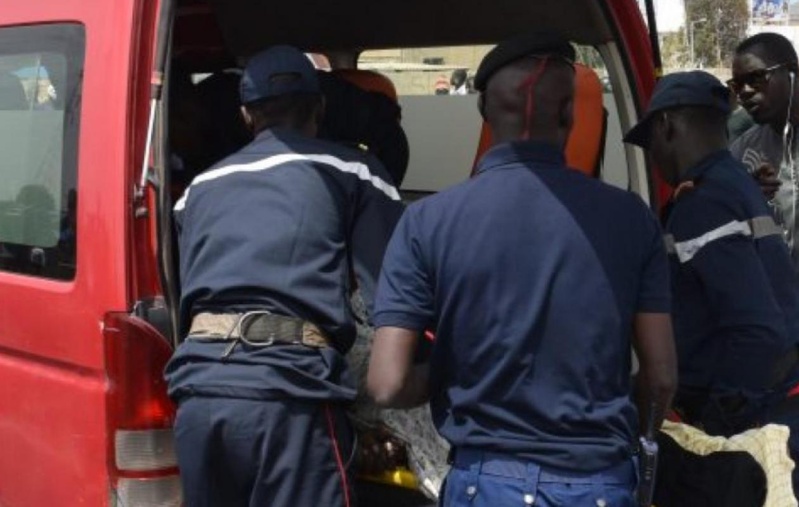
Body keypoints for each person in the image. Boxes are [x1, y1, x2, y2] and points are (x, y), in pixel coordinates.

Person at [367, 32, 677, 506]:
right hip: (601, 482)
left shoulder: (425, 222)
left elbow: (386, 384)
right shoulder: (632, 218)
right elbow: (660, 378)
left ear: (485, 113)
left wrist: (447, 375)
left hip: (486, 484)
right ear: (570, 113)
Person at [164, 45, 404, 507]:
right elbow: (394, 301)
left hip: (198, 397)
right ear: (320, 107)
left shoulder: (196, 190)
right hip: (289, 400)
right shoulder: (352, 169)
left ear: (246, 115)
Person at [624, 70, 799, 492]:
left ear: (666, 126)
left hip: (757, 417)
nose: (654, 158)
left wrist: (714, 424)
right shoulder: (736, 183)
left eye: (651, 144)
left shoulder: (703, 202)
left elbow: (756, 331)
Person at [729, 32, 799, 269]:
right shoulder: (743, 151)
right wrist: (746, 198)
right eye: (737, 84)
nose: (745, 92)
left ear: (792, 72)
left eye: (757, 77)